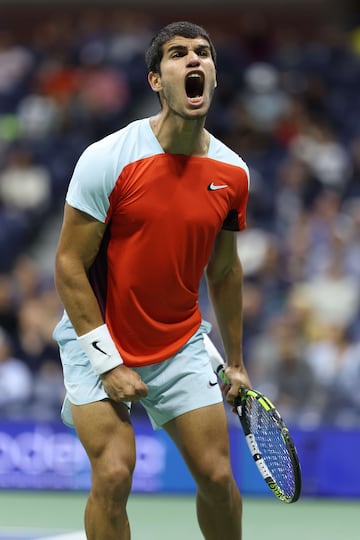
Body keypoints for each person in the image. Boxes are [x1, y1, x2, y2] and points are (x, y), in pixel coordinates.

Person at [53, 21, 251, 540]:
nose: (193, 60)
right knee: (115, 475)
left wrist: (235, 361)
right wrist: (107, 360)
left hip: (180, 340)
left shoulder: (232, 172)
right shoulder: (108, 158)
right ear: (156, 80)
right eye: (178, 54)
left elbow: (225, 269)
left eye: (203, 53)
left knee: (216, 476)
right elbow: (69, 265)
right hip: (98, 335)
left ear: (213, 75)